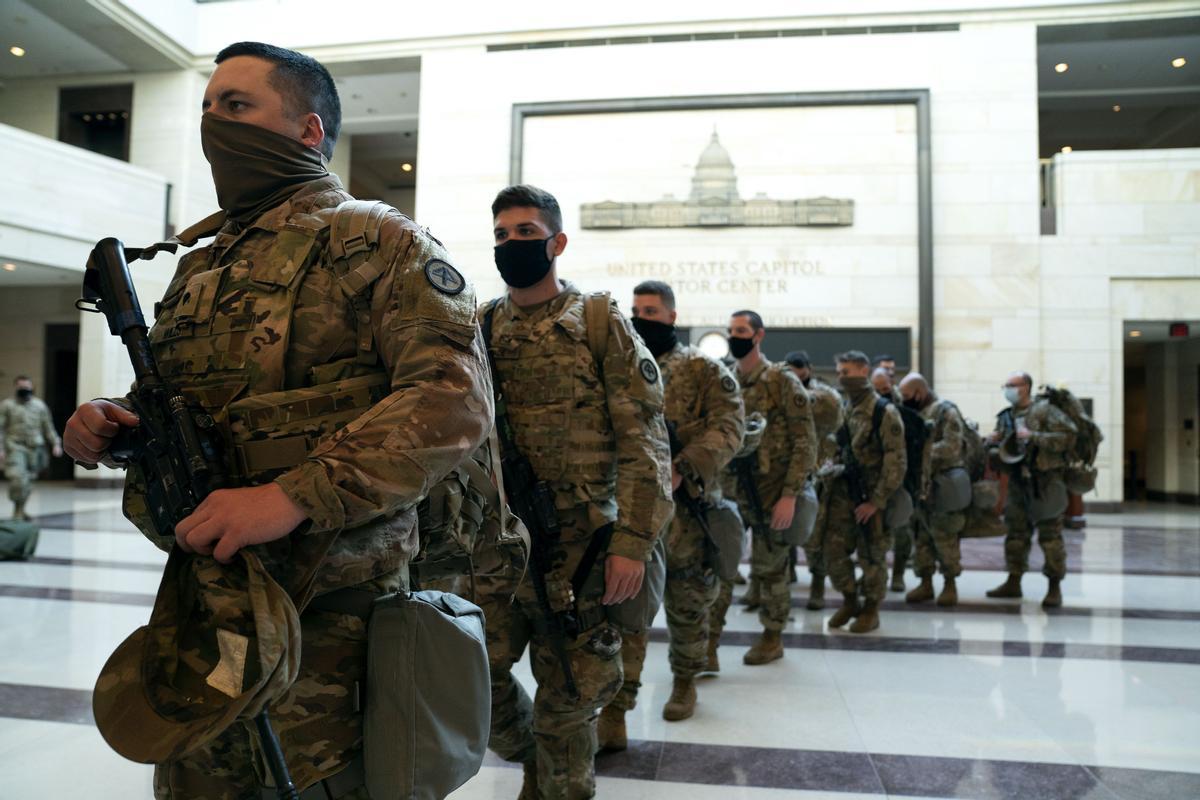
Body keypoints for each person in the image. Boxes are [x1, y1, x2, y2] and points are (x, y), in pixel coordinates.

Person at [63, 42, 492, 799]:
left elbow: (451, 402)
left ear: (307, 129)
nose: (213, 124)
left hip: (336, 613)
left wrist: (291, 496)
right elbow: (188, 403)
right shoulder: (204, 264)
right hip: (212, 597)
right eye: (207, 107)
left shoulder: (377, 240)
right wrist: (114, 422)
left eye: (237, 106)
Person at [478, 185, 673, 796]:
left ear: (557, 242)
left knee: (571, 699)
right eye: (503, 235)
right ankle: (539, 761)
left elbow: (644, 438)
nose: (514, 244)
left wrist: (634, 542)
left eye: (527, 233)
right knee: (470, 676)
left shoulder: (596, 320)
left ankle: (557, 776)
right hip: (501, 549)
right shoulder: (480, 326)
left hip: (584, 551)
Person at [604, 280, 743, 725]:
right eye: (635, 309)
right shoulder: (619, 366)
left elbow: (729, 428)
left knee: (689, 604)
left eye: (650, 311)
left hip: (689, 511)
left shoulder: (703, 369)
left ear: (671, 317)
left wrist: (683, 466)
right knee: (627, 610)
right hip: (632, 510)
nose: (641, 318)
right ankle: (619, 708)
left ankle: (685, 681)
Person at [722, 311, 817, 664]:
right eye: (731, 331)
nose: (735, 337)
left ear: (758, 335)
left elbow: (805, 442)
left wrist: (790, 495)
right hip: (732, 490)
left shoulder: (781, 380)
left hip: (772, 491)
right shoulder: (727, 379)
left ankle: (772, 635)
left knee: (770, 565)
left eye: (742, 331)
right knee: (722, 563)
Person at [822, 351, 906, 634]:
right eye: (840, 372)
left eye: (847, 372)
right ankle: (849, 599)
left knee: (872, 555)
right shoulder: (846, 407)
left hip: (872, 495)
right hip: (843, 491)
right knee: (833, 550)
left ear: (864, 371)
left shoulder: (884, 410)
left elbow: (897, 460)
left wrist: (877, 501)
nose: (842, 377)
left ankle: (871, 609)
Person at [985, 372, 1077, 608]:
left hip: (1045, 481)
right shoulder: (1006, 416)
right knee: (1015, 533)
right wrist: (994, 441)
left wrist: (1034, 436)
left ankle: (1054, 587)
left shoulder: (1046, 410)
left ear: (1025, 387)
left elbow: (1069, 436)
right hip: (1018, 482)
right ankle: (1013, 581)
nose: (1007, 389)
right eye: (1005, 385)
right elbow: (1006, 450)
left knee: (1050, 536)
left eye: (1011, 385)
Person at [898, 373, 967, 606]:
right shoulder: (911, 413)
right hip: (920, 487)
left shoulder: (946, 412)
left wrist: (920, 452)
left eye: (907, 395)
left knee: (945, 535)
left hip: (943, 484)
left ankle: (950, 584)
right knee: (920, 535)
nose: (903, 399)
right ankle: (925, 583)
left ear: (920, 393)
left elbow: (952, 447)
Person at [784, 351, 843, 610]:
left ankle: (817, 585)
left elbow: (832, 412)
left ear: (808, 369)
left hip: (816, 473)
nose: (796, 375)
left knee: (814, 532)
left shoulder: (823, 395)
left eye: (800, 370)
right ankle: (786, 573)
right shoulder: (781, 389)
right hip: (785, 471)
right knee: (780, 528)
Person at [1, 376, 62, 520]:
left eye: (27, 387)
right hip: (15, 446)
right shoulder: (7, 405)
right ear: (15, 387)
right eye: (21, 387)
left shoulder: (39, 406)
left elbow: (48, 427)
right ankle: (17, 510)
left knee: (28, 481)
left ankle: (21, 509)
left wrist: (56, 443)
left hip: (35, 449)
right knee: (17, 478)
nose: (24, 390)